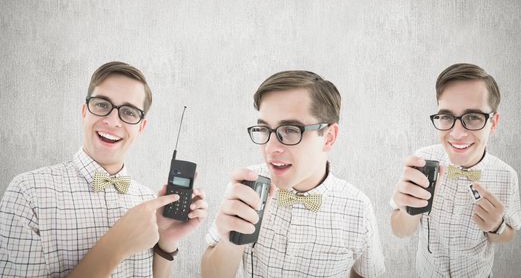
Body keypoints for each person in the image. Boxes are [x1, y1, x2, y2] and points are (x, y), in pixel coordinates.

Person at [0, 61, 208, 277]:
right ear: (84, 112)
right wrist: (116, 244)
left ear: (141, 128)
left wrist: (166, 241)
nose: (112, 120)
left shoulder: (148, 201)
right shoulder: (27, 193)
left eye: (129, 112)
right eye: (102, 105)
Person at [201, 70, 385, 278]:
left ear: (328, 137)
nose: (270, 148)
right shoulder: (247, 187)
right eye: (264, 129)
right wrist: (230, 240)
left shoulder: (358, 208)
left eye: (290, 130)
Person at [390, 63, 521, 277]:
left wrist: (497, 226)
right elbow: (399, 230)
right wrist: (408, 208)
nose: (457, 133)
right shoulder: (423, 161)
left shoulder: (506, 176)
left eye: (473, 117)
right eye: (447, 117)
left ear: (494, 122)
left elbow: (509, 234)